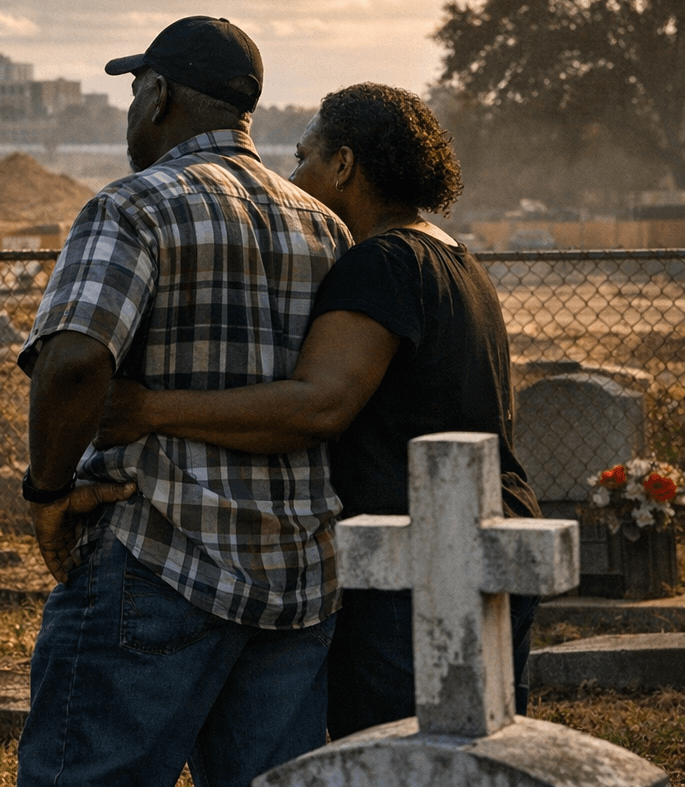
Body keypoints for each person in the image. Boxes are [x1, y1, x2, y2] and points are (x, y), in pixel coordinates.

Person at [95, 81, 542, 740]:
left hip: (415, 560)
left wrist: (149, 408)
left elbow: (317, 406)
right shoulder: (451, 255)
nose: (292, 173)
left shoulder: (380, 262)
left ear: (344, 165)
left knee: (397, 754)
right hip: (488, 530)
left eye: (304, 156)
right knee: (477, 751)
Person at [16, 16, 353, 787]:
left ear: (159, 95)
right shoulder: (325, 226)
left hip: (157, 556)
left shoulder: (134, 205)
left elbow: (71, 363)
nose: (132, 115)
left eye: (134, 94)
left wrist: (48, 491)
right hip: (295, 579)